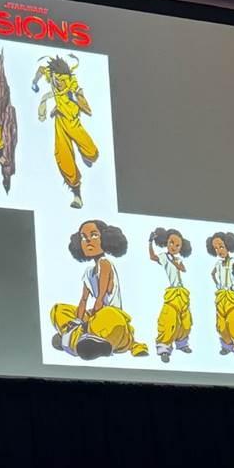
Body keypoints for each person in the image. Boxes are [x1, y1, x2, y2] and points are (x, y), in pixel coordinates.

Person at [50, 219, 149, 360]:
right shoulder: (88, 272)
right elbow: (83, 300)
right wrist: (78, 320)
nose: (88, 241)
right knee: (58, 309)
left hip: (110, 317)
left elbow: (100, 299)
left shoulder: (105, 263)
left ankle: (73, 339)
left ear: (105, 239)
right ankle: (82, 339)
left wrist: (87, 322)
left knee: (108, 315)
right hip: (92, 319)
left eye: (94, 235)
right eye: (83, 237)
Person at [33, 55, 96, 209]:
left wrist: (82, 100)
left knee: (92, 153)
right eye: (56, 79)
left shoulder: (71, 82)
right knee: (63, 156)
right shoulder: (51, 75)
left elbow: (81, 99)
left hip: (73, 121)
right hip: (60, 121)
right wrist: (34, 82)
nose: (58, 83)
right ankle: (77, 195)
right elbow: (41, 69)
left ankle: (86, 155)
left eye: (62, 80)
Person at [148, 227, 193, 363]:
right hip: (172, 292)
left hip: (182, 293)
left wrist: (177, 263)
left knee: (186, 321)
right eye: (171, 243)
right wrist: (150, 242)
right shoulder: (164, 256)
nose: (174, 247)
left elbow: (183, 269)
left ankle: (182, 344)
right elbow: (152, 257)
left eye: (177, 245)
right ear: (166, 242)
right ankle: (164, 349)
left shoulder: (178, 259)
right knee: (169, 319)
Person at [207, 231, 234, 367]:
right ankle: (227, 346)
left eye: (221, 246)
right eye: (216, 248)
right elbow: (212, 274)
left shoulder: (233, 261)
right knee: (221, 325)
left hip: (230, 296)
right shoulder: (217, 263)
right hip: (220, 296)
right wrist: (217, 284)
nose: (219, 251)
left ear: (228, 245)